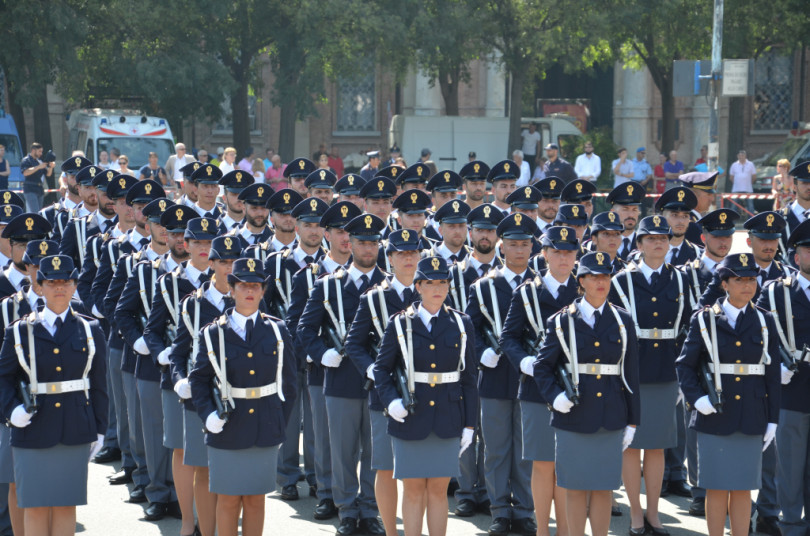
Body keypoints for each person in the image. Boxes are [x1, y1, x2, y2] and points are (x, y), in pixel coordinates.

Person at [533, 251, 640, 536]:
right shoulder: (561, 321)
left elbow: (630, 374)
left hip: (611, 414)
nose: (601, 281)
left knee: (604, 488)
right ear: (581, 281)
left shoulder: (622, 320)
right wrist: (555, 398)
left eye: (605, 275)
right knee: (575, 488)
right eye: (594, 276)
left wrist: (633, 420)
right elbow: (543, 367)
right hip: (574, 415)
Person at [0, 254, 108, 536]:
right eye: (52, 282)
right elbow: (4, 378)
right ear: (39, 286)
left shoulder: (90, 329)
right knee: (34, 506)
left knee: (65, 506)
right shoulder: (19, 331)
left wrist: (100, 429)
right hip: (32, 427)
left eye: (66, 281)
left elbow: (98, 385)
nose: (59, 287)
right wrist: (11, 410)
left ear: (74, 286)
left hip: (75, 426)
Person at [188, 257, 297, 536]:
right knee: (227, 500)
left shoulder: (277, 330)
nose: (250, 291)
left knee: (255, 500)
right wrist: (208, 415)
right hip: (228, 426)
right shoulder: (213, 333)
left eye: (256, 285)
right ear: (232, 288)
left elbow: (290, 384)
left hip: (265, 425)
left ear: (263, 290)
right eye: (243, 285)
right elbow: (199, 379)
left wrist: (277, 422)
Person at [676, 253, 780, 536]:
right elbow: (684, 366)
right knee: (717, 486)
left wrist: (773, 420)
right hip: (715, 413)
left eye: (751, 279)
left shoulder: (765, 320)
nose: (748, 285)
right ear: (724, 284)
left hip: (752, 414)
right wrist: (697, 400)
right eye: (739, 279)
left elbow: (772, 374)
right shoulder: (704, 319)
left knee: (744, 487)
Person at [372, 256, 477, 536]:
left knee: (439, 491)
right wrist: (391, 401)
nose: (437, 288)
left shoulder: (462, 323)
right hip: (411, 416)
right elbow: (381, 370)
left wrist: (470, 425)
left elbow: (469, 379)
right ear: (418, 286)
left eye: (442, 282)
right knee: (414, 488)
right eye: (430, 283)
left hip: (448, 416)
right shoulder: (400, 323)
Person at [297, 213, 388, 536]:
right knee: (342, 449)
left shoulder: (389, 285)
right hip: (340, 379)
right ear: (350, 244)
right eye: (361, 242)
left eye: (373, 242)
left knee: (375, 451)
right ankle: (347, 509)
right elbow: (305, 329)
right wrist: (323, 354)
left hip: (380, 382)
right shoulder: (328, 284)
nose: (367, 248)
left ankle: (370, 508)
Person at [609, 215, 692, 536]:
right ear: (639, 244)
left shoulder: (682, 280)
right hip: (631, 371)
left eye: (663, 238)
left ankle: (654, 514)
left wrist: (686, 372)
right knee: (630, 446)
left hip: (666, 371)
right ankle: (634, 516)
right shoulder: (621, 280)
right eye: (651, 238)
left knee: (656, 446)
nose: (659, 243)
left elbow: (690, 330)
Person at [500, 226, 580, 536]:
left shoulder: (584, 288)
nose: (563, 258)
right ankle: (543, 530)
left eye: (569, 252)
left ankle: (567, 529)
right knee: (543, 463)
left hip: (576, 387)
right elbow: (509, 337)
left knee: (568, 465)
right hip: (537, 388)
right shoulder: (527, 291)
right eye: (557, 252)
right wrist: (523, 362)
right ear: (544, 254)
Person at [344, 229, 423, 536]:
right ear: (389, 258)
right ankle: (391, 530)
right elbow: (355, 344)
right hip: (386, 393)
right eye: (401, 254)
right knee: (387, 467)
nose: (408, 259)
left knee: (419, 473)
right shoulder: (374, 297)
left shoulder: (431, 291)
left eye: (413, 253)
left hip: (427, 392)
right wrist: (375, 372)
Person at [466, 213, 538, 536]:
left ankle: (524, 509)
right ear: (501, 245)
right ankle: (498, 509)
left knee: (526, 449)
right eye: (512, 244)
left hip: (530, 379)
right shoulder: (483, 287)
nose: (519, 250)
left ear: (533, 246)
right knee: (496, 448)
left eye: (524, 244)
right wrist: (482, 353)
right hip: (494, 378)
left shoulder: (540, 285)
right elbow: (471, 330)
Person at [169, 235, 240, 536]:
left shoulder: (246, 298)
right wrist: (178, 380)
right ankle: (200, 528)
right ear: (210, 264)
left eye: (234, 262)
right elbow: (178, 352)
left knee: (232, 470)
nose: (229, 268)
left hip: (236, 396)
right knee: (202, 467)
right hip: (201, 395)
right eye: (223, 261)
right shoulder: (192, 305)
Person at [758, 220, 810, 536]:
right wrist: (774, 365)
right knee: (789, 466)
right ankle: (791, 524)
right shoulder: (777, 292)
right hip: (792, 389)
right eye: (808, 249)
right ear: (796, 256)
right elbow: (758, 338)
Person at [21, 142, 55, 213]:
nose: (41, 153)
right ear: (33, 150)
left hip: (39, 189)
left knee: (39, 212)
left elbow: (48, 174)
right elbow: (26, 172)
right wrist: (38, 167)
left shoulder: (39, 161)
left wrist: (51, 167)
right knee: (35, 212)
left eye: (41, 151)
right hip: (30, 189)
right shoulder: (26, 160)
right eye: (39, 151)